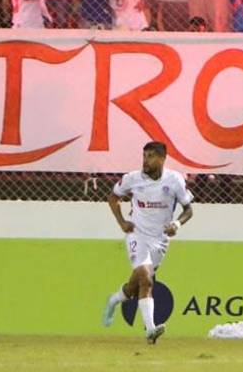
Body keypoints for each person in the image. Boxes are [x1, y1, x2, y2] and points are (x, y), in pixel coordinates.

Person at [102, 141, 195, 344]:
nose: (146, 160)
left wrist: (177, 224)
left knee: (135, 286)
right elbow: (112, 198)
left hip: (160, 240)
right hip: (137, 235)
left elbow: (189, 210)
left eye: (151, 156)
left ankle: (114, 299)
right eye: (144, 155)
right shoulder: (132, 179)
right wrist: (121, 222)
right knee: (146, 279)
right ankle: (150, 330)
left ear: (162, 159)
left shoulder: (175, 180)